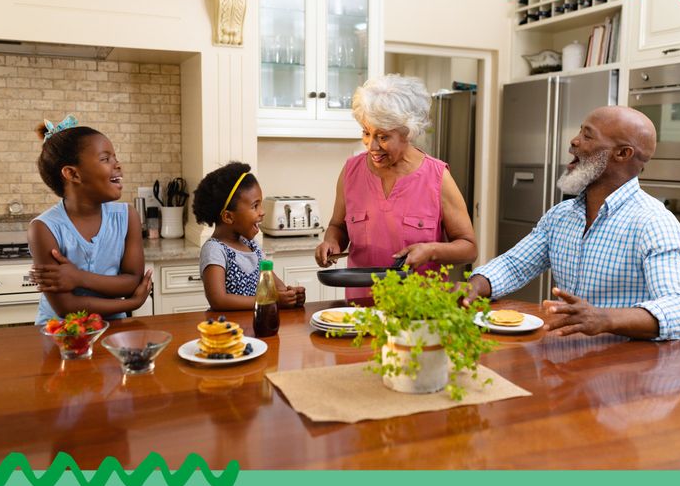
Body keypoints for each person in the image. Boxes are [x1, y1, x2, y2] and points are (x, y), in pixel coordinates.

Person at [463, 106, 680, 340]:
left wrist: (605, 319)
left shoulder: (654, 222)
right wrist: (473, 287)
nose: (574, 141)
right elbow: (513, 266)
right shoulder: (560, 216)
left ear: (623, 154)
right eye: (579, 132)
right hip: (569, 355)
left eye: (587, 135)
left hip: (629, 365)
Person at [314, 74, 478, 301]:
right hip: (360, 310)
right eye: (366, 132)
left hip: (419, 312)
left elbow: (468, 247)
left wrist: (431, 250)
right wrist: (331, 242)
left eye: (383, 136)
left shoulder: (437, 177)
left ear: (407, 132)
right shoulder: (351, 172)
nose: (372, 146)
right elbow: (337, 226)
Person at [27, 116, 153, 325]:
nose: (118, 165)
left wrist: (77, 277)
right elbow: (65, 306)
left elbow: (131, 282)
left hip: (112, 329)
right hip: (60, 333)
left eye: (115, 157)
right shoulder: (43, 228)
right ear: (72, 174)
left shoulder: (127, 216)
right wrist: (131, 304)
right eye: (105, 159)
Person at [193, 161, 306, 311]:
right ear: (228, 217)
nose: (262, 212)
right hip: (229, 331)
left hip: (256, 326)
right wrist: (271, 300)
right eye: (255, 206)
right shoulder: (215, 249)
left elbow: (274, 286)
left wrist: (290, 295)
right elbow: (219, 300)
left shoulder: (252, 246)